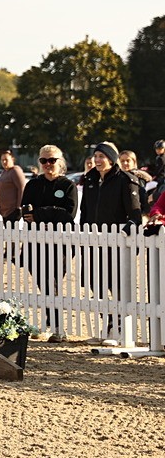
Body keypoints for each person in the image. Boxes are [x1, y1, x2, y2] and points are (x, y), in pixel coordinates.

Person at [80, 141, 141, 343]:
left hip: (117, 244)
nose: (97, 160)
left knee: (116, 285)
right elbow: (85, 211)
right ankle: (108, 324)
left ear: (111, 159)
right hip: (93, 242)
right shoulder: (89, 178)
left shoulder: (126, 180)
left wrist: (125, 235)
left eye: (101, 156)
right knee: (95, 284)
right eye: (95, 156)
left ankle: (121, 329)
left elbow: (135, 216)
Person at [19, 145, 78, 342]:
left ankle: (56, 325)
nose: (47, 164)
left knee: (52, 281)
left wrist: (40, 213)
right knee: (42, 282)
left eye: (51, 160)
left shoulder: (68, 186)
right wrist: (49, 212)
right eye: (43, 161)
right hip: (34, 241)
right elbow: (26, 213)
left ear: (60, 162)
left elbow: (68, 215)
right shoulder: (33, 185)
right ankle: (51, 321)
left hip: (58, 243)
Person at [0, 150, 27, 225]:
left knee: (12, 233)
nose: (4, 162)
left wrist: (18, 207)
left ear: (12, 159)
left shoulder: (15, 171)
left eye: (6, 160)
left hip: (13, 210)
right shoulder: (4, 172)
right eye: (2, 160)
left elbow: (22, 188)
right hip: (4, 211)